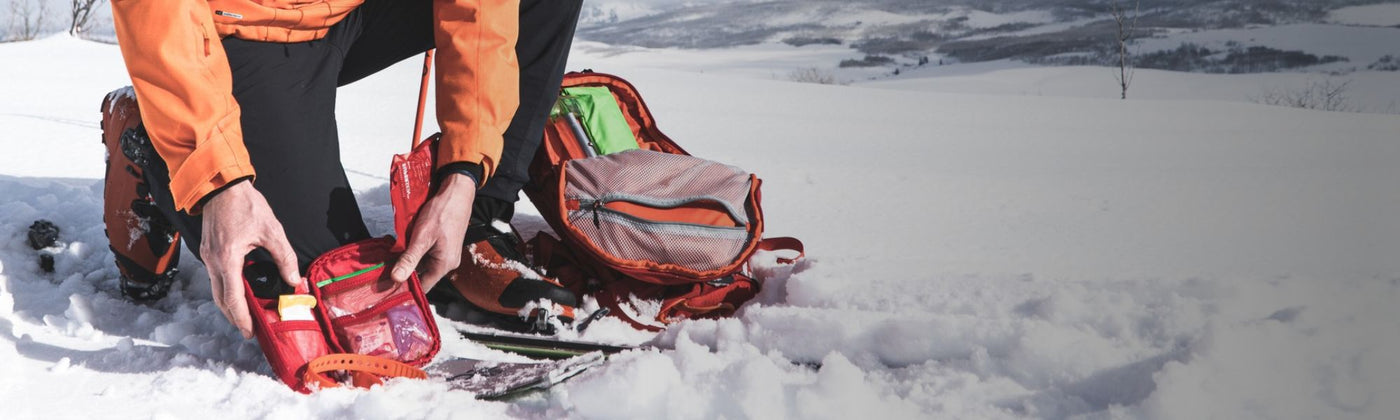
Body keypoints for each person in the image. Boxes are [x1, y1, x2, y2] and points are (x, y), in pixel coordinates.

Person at [104, 0, 583, 339]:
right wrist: (217, 180)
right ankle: (153, 136)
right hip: (243, 28)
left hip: (363, 11)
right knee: (316, 290)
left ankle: (473, 224)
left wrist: (465, 173)